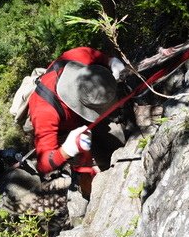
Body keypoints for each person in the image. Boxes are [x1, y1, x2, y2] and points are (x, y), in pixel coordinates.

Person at [28, 47, 126, 199]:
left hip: (83, 112)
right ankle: (85, 190)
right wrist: (68, 150)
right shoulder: (44, 112)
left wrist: (112, 61)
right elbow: (43, 164)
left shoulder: (77, 59)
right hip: (64, 129)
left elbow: (96, 54)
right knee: (85, 166)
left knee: (116, 141)